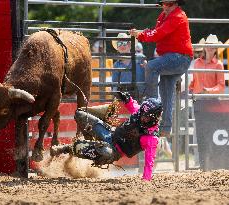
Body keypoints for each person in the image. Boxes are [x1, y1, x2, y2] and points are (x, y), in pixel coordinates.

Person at [51, 91, 163, 181]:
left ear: (154, 118)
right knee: (80, 115)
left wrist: (146, 178)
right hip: (110, 133)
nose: (143, 118)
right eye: (142, 114)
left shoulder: (151, 138)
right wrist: (126, 98)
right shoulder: (139, 113)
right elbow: (132, 105)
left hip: (114, 152)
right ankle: (90, 139)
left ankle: (66, 148)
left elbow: (150, 160)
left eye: (146, 117)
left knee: (103, 151)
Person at [129, 0, 193, 137]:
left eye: (168, 4)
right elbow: (156, 31)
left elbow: (159, 33)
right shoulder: (166, 16)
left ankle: (152, 105)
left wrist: (141, 35)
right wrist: (143, 33)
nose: (165, 7)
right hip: (176, 58)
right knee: (166, 91)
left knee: (151, 67)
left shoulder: (178, 16)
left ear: (176, 4)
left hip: (178, 57)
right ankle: (165, 128)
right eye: (163, 4)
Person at [111, 33, 146, 99]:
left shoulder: (141, 58)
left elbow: (149, 75)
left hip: (141, 97)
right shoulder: (116, 65)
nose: (122, 46)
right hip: (124, 98)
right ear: (117, 48)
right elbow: (114, 85)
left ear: (130, 45)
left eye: (124, 43)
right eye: (119, 44)